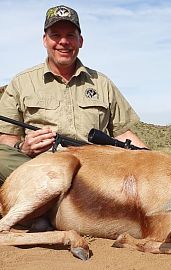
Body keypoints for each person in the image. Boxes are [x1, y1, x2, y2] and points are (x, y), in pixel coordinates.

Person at [0, 5, 146, 184]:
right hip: (40, 168)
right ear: (45, 40)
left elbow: (123, 134)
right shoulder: (21, 82)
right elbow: (7, 140)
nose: (63, 42)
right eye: (56, 35)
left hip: (94, 170)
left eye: (70, 35)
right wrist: (23, 147)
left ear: (80, 41)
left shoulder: (102, 82)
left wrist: (152, 158)